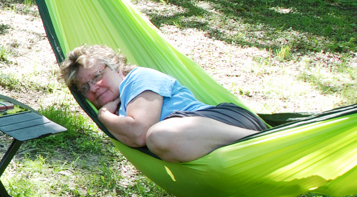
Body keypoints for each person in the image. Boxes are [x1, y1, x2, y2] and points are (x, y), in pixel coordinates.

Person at [60, 45, 266, 163]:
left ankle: (263, 142)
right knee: (160, 137)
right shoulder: (121, 108)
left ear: (116, 67)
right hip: (206, 139)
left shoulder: (138, 78)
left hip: (230, 121)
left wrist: (104, 115)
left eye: (97, 76)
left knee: (159, 136)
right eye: (85, 88)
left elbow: (139, 131)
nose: (94, 88)